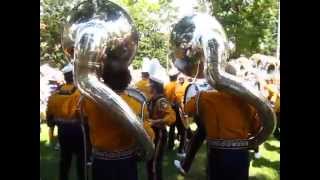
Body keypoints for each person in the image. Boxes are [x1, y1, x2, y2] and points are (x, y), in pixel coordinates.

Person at [80, 65, 155, 180]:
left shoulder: (89, 100)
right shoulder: (137, 103)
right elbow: (148, 135)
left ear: (104, 79)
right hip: (126, 162)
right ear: (128, 80)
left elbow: (80, 119)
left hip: (100, 161)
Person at [179, 88, 261, 180]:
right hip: (240, 155)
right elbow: (256, 129)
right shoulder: (248, 101)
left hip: (217, 155)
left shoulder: (205, 97)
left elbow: (185, 110)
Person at [46, 63, 90, 180]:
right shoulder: (80, 94)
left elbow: (49, 119)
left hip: (62, 132)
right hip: (79, 132)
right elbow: (86, 117)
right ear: (75, 76)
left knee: (65, 160)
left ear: (65, 77)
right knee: (81, 161)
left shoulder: (54, 95)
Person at [147, 76, 176, 180]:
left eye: (149, 84)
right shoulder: (152, 98)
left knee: (154, 163)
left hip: (159, 133)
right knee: (150, 162)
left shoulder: (161, 101)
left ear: (154, 86)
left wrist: (156, 121)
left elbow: (172, 117)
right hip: (152, 133)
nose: (147, 85)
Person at [165, 70, 187, 157]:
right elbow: (179, 100)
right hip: (177, 109)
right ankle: (181, 150)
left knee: (171, 128)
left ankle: (170, 146)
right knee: (183, 130)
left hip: (169, 109)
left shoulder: (166, 85)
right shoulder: (177, 86)